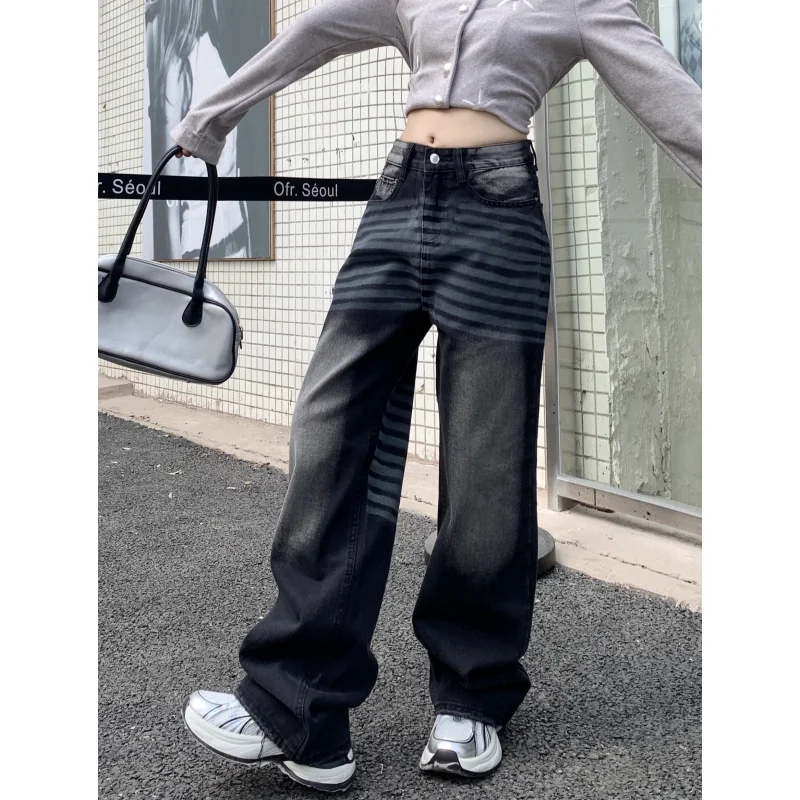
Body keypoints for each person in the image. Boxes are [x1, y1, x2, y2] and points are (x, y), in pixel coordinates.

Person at [169, 0, 701, 792]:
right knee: (328, 433)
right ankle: (301, 713)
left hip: (498, 217)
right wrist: (210, 118)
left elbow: (672, 102)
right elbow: (315, 30)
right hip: (396, 202)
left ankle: (471, 696)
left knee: (486, 468)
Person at [146, 0, 251, 259]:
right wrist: (173, 264)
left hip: (236, 230)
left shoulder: (213, 45)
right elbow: (171, 183)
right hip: (200, 240)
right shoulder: (177, 67)